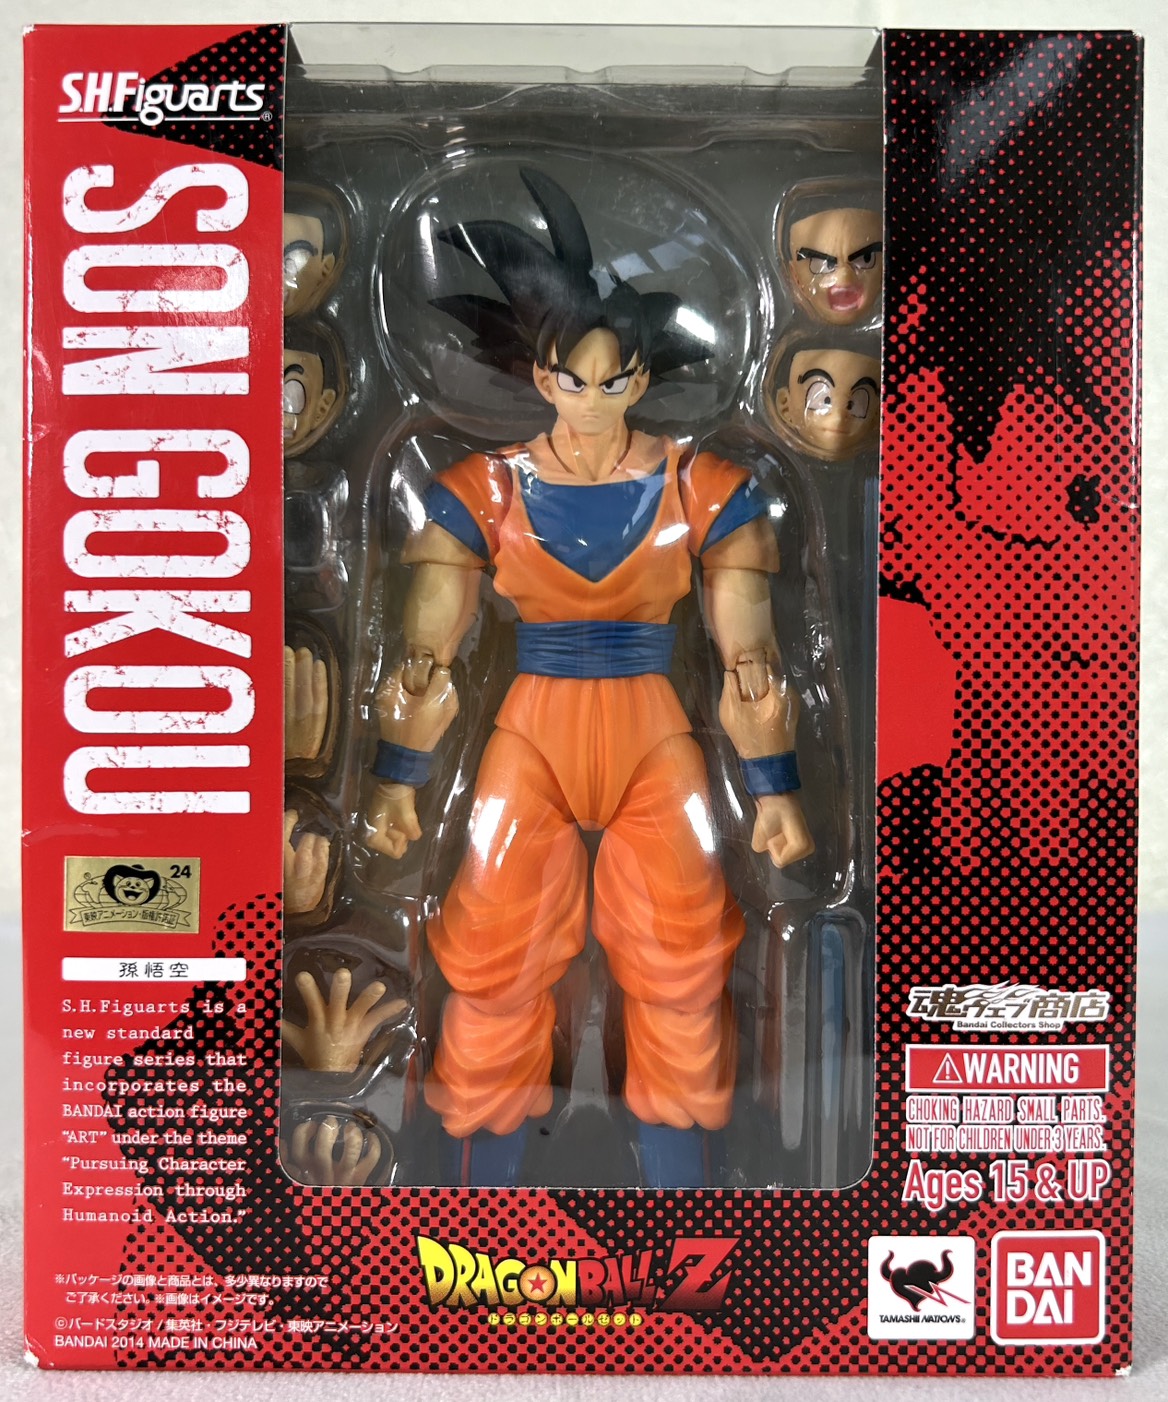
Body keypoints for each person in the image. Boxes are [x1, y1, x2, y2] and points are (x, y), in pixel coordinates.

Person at [365, 171, 814, 1186]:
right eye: (577, 378)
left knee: (681, 973)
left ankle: (683, 1198)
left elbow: (751, 664)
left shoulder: (702, 487)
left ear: (642, 379)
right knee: (492, 969)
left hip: (658, 740)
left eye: (617, 380)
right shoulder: (482, 490)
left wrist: (777, 790)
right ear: (543, 376)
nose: (596, 399)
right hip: (530, 736)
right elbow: (424, 663)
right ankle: (481, 1200)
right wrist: (396, 779)